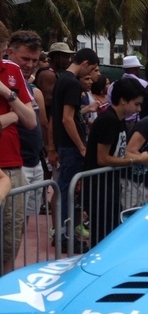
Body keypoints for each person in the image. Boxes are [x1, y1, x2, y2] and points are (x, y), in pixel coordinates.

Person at [83, 78, 148, 245]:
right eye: (136, 104)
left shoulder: (118, 121)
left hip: (109, 186)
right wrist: (135, 160)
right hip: (98, 188)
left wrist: (144, 158)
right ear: (123, 100)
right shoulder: (109, 120)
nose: (139, 108)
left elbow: (119, 153)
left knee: (110, 232)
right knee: (102, 236)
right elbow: (103, 158)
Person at [49, 47, 100, 249]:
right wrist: (81, 146)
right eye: (92, 68)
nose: (91, 74)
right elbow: (67, 119)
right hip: (71, 147)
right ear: (85, 63)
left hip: (64, 145)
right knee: (68, 191)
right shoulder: (71, 83)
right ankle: (64, 237)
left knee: (65, 189)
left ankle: (64, 235)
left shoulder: (61, 79)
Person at [6, 31, 48, 221]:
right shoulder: (7, 82)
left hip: (35, 162)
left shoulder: (33, 90)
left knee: (23, 223)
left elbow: (40, 123)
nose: (30, 65)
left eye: (35, 60)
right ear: (9, 52)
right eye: (25, 59)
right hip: (14, 165)